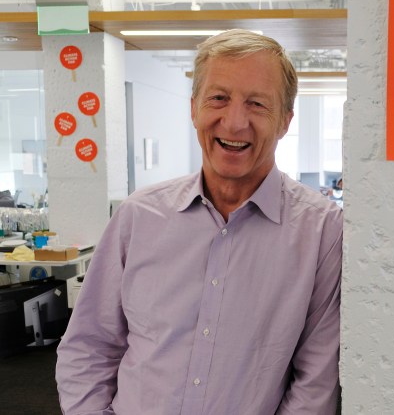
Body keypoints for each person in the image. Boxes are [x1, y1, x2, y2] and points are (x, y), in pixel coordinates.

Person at [56, 29, 343, 414]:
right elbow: (88, 346)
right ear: (194, 108)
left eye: (257, 104)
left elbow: (315, 384)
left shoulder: (322, 232)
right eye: (219, 98)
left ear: (285, 121)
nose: (235, 122)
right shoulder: (138, 217)